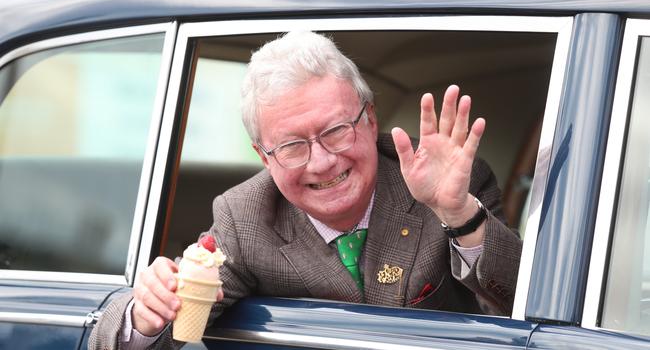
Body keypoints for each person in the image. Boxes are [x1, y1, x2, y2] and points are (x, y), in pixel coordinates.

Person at [89, 30, 522, 349]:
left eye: (336, 131)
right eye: (293, 146)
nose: (322, 162)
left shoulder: (444, 188)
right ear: (264, 156)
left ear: (370, 119)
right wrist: (143, 317)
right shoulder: (246, 218)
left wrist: (460, 215)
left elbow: (527, 313)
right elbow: (130, 337)